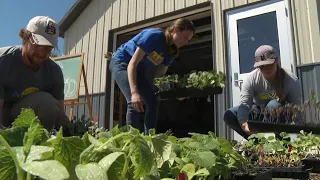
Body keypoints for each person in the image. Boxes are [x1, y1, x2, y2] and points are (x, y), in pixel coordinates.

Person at [109, 18, 195, 135]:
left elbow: (158, 80)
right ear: (175, 29)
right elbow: (132, 64)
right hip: (122, 63)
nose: (186, 42)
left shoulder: (170, 53)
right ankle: (133, 141)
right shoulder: (153, 36)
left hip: (139, 71)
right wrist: (134, 93)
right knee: (133, 102)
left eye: (189, 40)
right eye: (185, 37)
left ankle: (150, 138)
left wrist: (175, 94)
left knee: (153, 102)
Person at [0, 16, 71, 132]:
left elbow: (61, 116)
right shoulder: (3, 61)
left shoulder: (54, 72)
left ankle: (37, 141)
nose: (42, 53)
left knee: (47, 103)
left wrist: (75, 133)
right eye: (38, 45)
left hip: (18, 116)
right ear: (25, 38)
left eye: (48, 48)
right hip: (2, 112)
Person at [223, 45, 302, 139]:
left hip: (282, 116)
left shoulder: (290, 79)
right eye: (262, 66)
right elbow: (244, 104)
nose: (266, 68)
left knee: (273, 105)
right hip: (259, 112)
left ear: (276, 61)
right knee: (229, 115)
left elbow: (296, 107)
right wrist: (243, 123)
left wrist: (300, 131)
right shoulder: (251, 78)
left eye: (269, 65)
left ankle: (281, 142)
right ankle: (256, 142)